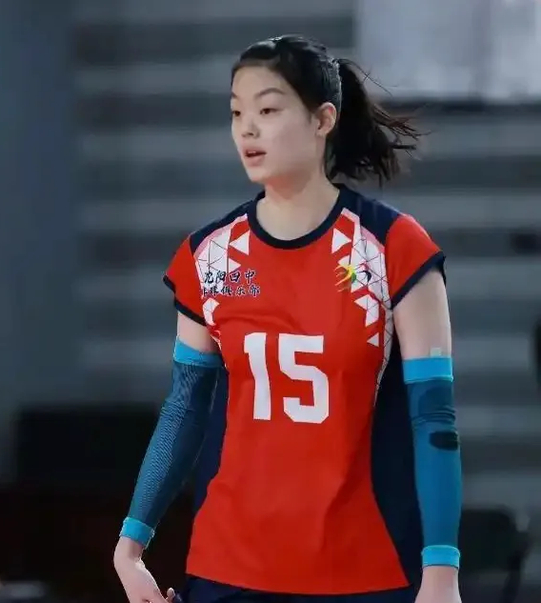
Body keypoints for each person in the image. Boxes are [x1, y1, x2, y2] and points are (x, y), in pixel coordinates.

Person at [113, 35, 462, 603]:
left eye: (268, 110)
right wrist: (130, 547)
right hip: (230, 568)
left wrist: (442, 573)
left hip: (363, 568)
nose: (247, 130)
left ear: (323, 119)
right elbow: (183, 408)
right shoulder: (210, 256)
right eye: (236, 113)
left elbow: (434, 419)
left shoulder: (394, 247)